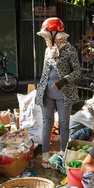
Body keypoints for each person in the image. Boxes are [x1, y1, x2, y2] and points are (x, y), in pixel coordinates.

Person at [35, 17, 82, 168]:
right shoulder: (48, 49)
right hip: (46, 93)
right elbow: (45, 72)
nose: (45, 38)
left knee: (64, 124)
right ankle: (45, 156)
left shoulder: (69, 49)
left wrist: (64, 80)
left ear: (55, 33)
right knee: (47, 123)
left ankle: (64, 155)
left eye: (47, 35)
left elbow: (78, 71)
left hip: (64, 93)